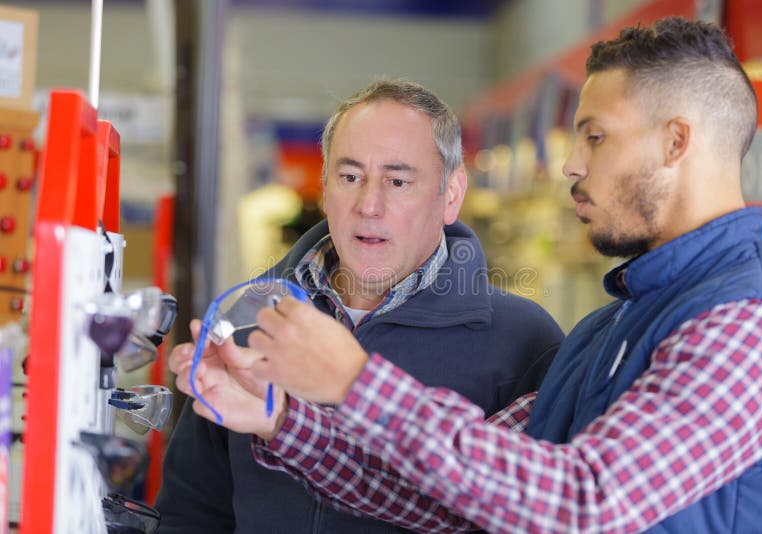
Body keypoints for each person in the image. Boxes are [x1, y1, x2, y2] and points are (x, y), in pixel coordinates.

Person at [171, 17, 762, 533]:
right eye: (351, 175)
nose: (571, 166)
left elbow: (588, 502)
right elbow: (452, 499)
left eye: (596, 138)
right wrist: (281, 423)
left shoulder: (750, 328)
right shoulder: (608, 329)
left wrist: (357, 382)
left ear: (675, 143)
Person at [156, 78, 564, 533]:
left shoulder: (525, 342)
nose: (370, 204)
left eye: (398, 180)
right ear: (326, 186)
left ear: (451, 195)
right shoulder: (249, 316)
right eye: (351, 178)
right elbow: (192, 509)